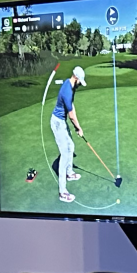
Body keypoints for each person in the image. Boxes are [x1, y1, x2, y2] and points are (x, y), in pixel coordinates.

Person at [50, 64, 85, 203]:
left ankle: (69, 173)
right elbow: (71, 116)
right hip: (58, 123)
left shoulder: (69, 85)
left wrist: (76, 126)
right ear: (76, 78)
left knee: (71, 146)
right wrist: (79, 128)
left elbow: (71, 107)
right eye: (80, 81)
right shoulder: (67, 91)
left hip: (62, 122)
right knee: (64, 155)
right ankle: (62, 192)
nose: (80, 84)